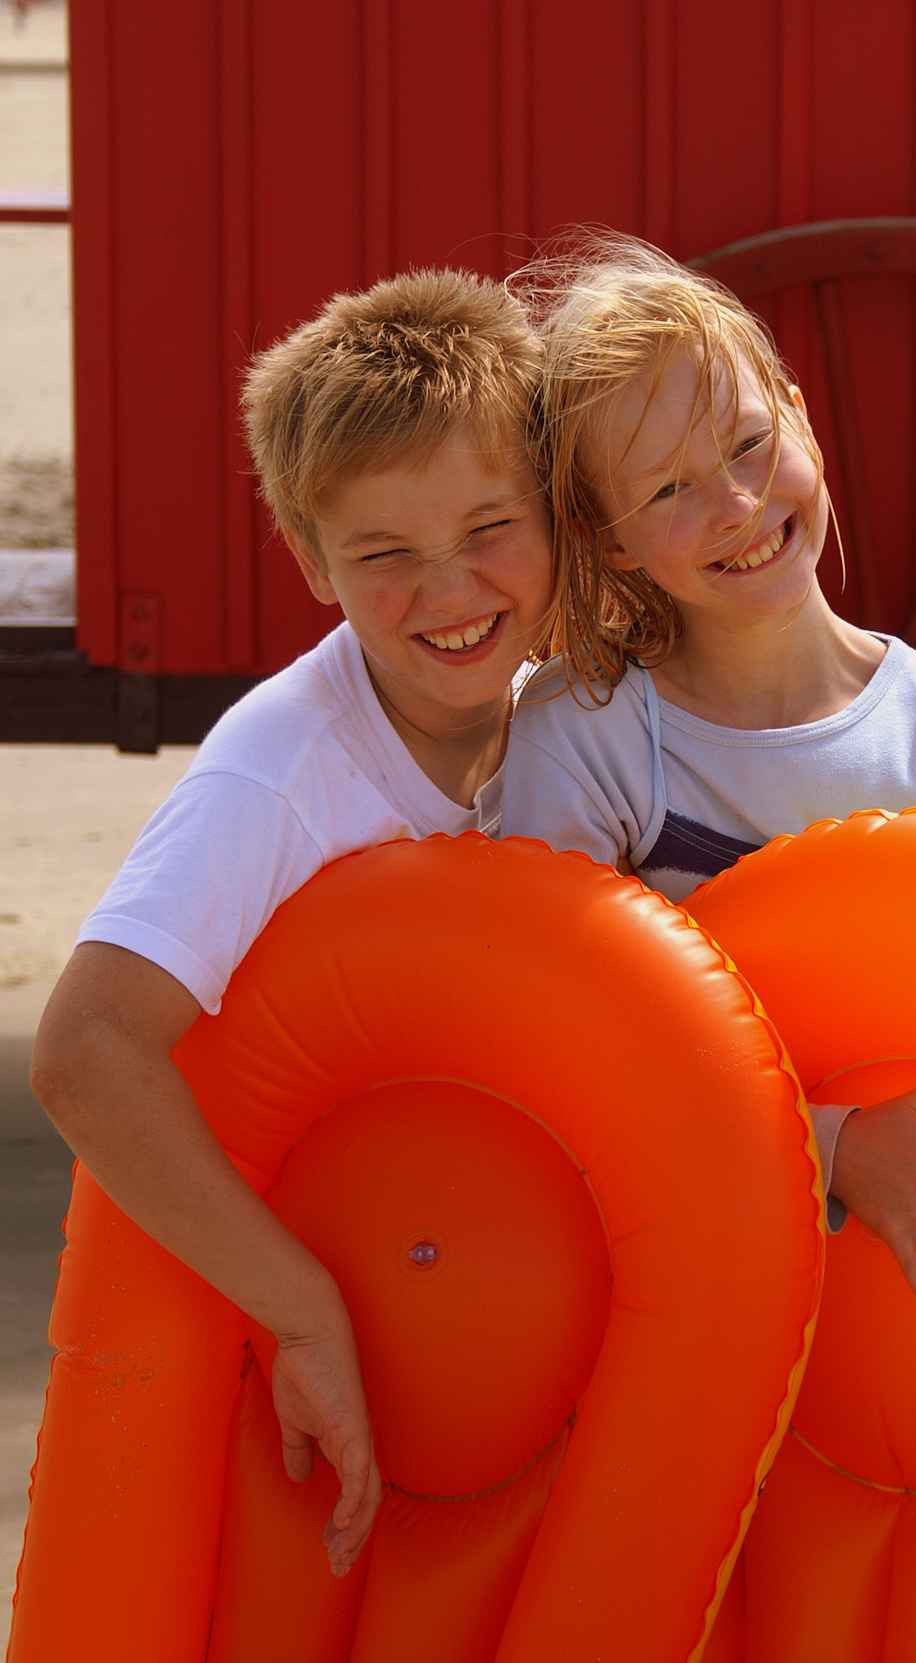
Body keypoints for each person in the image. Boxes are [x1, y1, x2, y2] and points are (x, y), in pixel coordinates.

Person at [30, 269, 554, 1576]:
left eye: (491, 528)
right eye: (385, 556)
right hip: (342, 1298)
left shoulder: (585, 702)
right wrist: (301, 1309)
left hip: (503, 1284)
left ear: (557, 510)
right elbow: (86, 1048)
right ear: (315, 563)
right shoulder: (280, 771)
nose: (451, 591)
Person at [504, 232, 916, 1315]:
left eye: (749, 442)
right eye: (669, 489)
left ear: (801, 418)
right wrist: (833, 1147)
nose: (735, 503)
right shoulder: (590, 739)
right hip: (684, 1296)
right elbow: (554, 1051)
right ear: (611, 540)